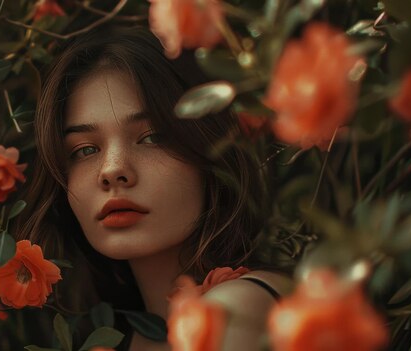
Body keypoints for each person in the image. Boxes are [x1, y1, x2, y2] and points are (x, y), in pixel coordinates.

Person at [17, 24, 292, 351]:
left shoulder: (234, 310)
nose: (112, 170)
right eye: (85, 150)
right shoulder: (122, 337)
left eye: (153, 138)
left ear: (208, 150)